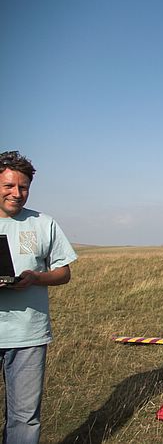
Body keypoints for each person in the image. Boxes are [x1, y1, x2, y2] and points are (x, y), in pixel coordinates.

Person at [0, 151, 77, 444]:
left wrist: (36, 278)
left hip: (29, 334)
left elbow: (64, 272)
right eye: (8, 186)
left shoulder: (44, 223)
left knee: (25, 417)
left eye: (23, 187)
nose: (17, 194)